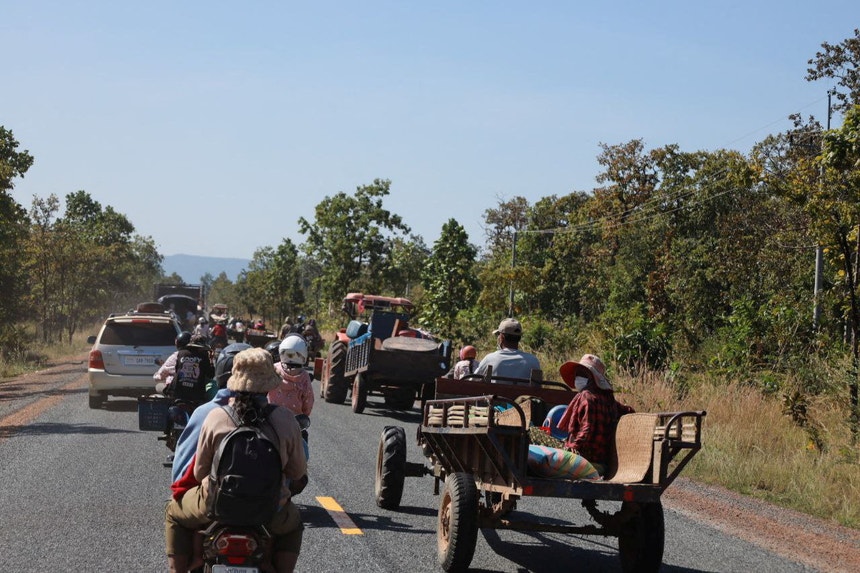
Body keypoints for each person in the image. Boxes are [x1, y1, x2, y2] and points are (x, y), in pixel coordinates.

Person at [164, 347, 307, 573]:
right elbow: (297, 472)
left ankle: (180, 569)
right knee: (294, 525)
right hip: (269, 509)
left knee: (173, 512)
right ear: (270, 384)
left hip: (214, 506)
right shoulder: (285, 419)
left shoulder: (215, 416)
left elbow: (200, 473)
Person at [556, 354, 635, 476]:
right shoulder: (608, 399)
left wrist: (573, 448)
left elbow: (587, 429)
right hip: (602, 462)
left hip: (585, 461)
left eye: (582, 375)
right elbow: (629, 411)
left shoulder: (587, 397)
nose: (578, 378)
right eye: (577, 374)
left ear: (591, 377)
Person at [474, 318, 541, 380]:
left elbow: (473, 380)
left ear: (502, 337)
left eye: (498, 335)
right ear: (519, 338)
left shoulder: (490, 359)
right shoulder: (533, 360)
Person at [268, 335, 315, 419]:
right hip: (294, 419)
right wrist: (304, 414)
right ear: (303, 354)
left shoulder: (273, 369)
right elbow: (308, 400)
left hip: (271, 416)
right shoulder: (304, 376)